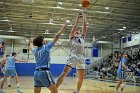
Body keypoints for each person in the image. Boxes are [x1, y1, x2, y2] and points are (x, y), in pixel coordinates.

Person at [30, 22, 68, 93]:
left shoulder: (35, 50)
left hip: (36, 73)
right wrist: (63, 27)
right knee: (55, 91)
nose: (45, 40)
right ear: (42, 41)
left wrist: (31, 41)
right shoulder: (46, 47)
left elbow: (31, 46)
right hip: (44, 72)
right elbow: (56, 37)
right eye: (43, 39)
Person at [56, 11, 87, 93]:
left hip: (81, 57)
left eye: (78, 30)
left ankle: (77, 91)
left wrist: (84, 16)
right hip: (73, 56)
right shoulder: (71, 37)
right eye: (76, 30)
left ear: (80, 32)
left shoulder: (82, 37)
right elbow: (73, 30)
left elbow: (85, 27)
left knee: (81, 77)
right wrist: (77, 20)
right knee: (64, 73)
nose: (77, 31)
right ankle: (54, 90)